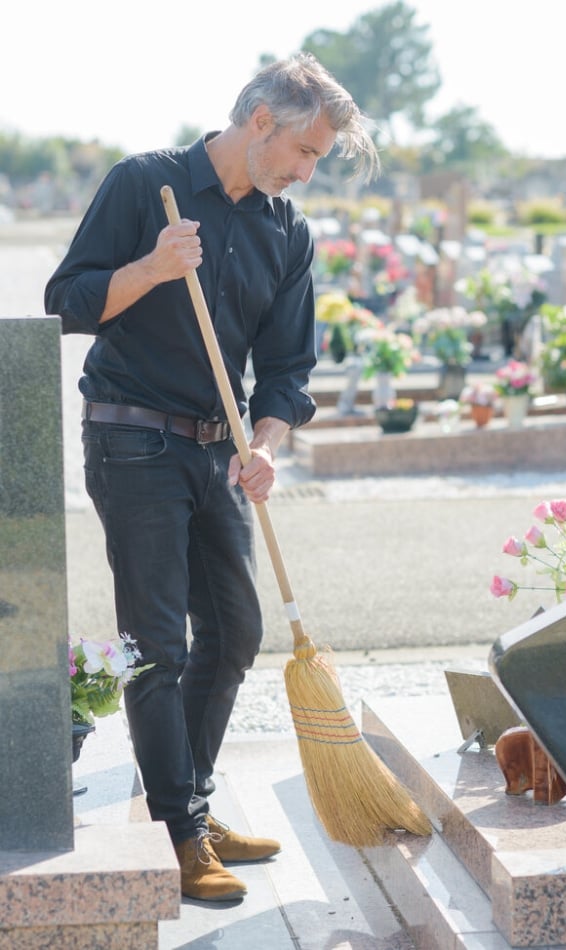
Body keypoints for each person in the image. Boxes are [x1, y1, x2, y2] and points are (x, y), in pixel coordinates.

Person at [45, 53, 379, 902]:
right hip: (133, 442)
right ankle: (185, 834)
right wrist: (153, 268)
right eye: (305, 151)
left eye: (319, 161)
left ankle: (183, 800)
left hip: (216, 450)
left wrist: (265, 440)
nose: (309, 172)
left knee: (233, 634)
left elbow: (286, 368)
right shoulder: (145, 184)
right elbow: (67, 301)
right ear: (261, 120)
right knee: (160, 644)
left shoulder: (286, 229)